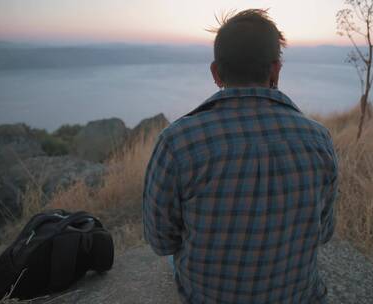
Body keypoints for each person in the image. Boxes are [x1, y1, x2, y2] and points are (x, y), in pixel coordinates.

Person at [143, 9, 338, 304]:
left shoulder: (177, 142)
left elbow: (161, 241)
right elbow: (323, 232)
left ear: (216, 73)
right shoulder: (319, 139)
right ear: (275, 70)